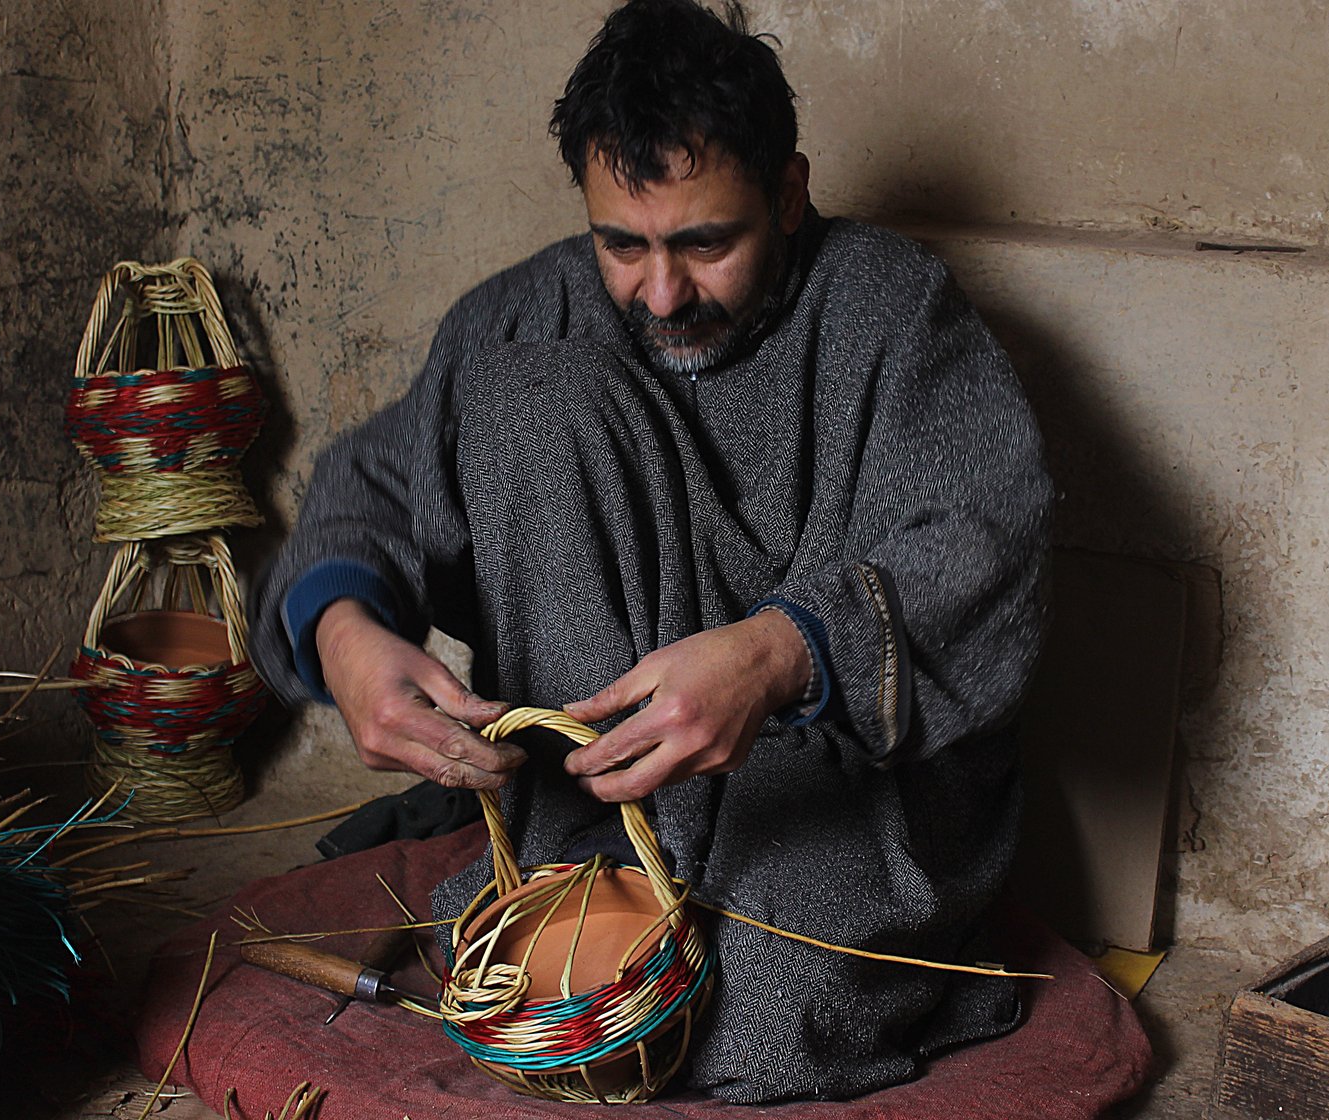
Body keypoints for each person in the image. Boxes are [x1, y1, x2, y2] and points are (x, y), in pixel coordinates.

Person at [250, 0, 1053, 1103]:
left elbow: (983, 538)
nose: (660, 292)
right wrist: (344, 633)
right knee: (528, 391)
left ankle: (850, 952)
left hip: (829, 793)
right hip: (582, 808)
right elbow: (374, 487)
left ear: (788, 190)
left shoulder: (891, 310)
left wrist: (781, 655)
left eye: (704, 243)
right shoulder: (530, 315)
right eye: (622, 243)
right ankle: (589, 864)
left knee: (750, 1032)